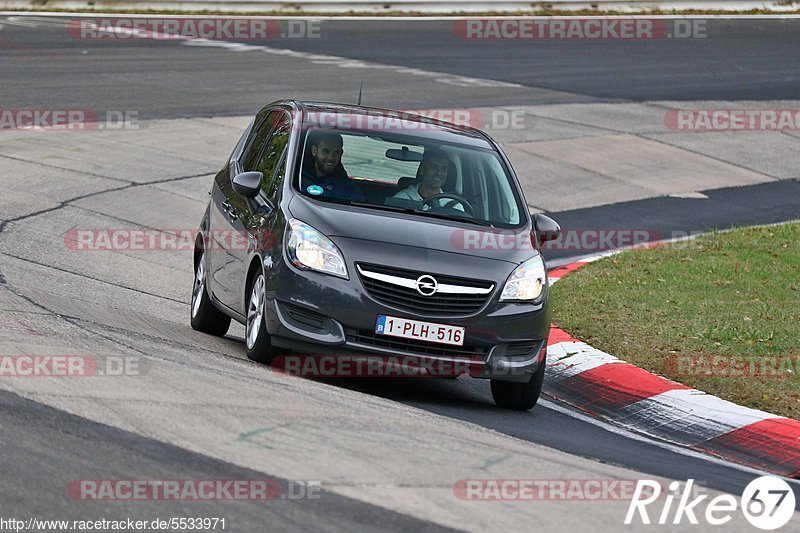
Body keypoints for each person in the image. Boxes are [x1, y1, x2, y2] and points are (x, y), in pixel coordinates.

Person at [393, 148, 464, 212]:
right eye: (434, 167)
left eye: (444, 169)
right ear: (422, 170)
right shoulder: (401, 199)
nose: (439, 173)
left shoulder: (455, 207)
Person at [301, 131, 365, 202]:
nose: (331, 157)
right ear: (314, 151)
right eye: (325, 151)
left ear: (341, 154)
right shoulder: (296, 179)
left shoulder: (348, 188)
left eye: (336, 152)